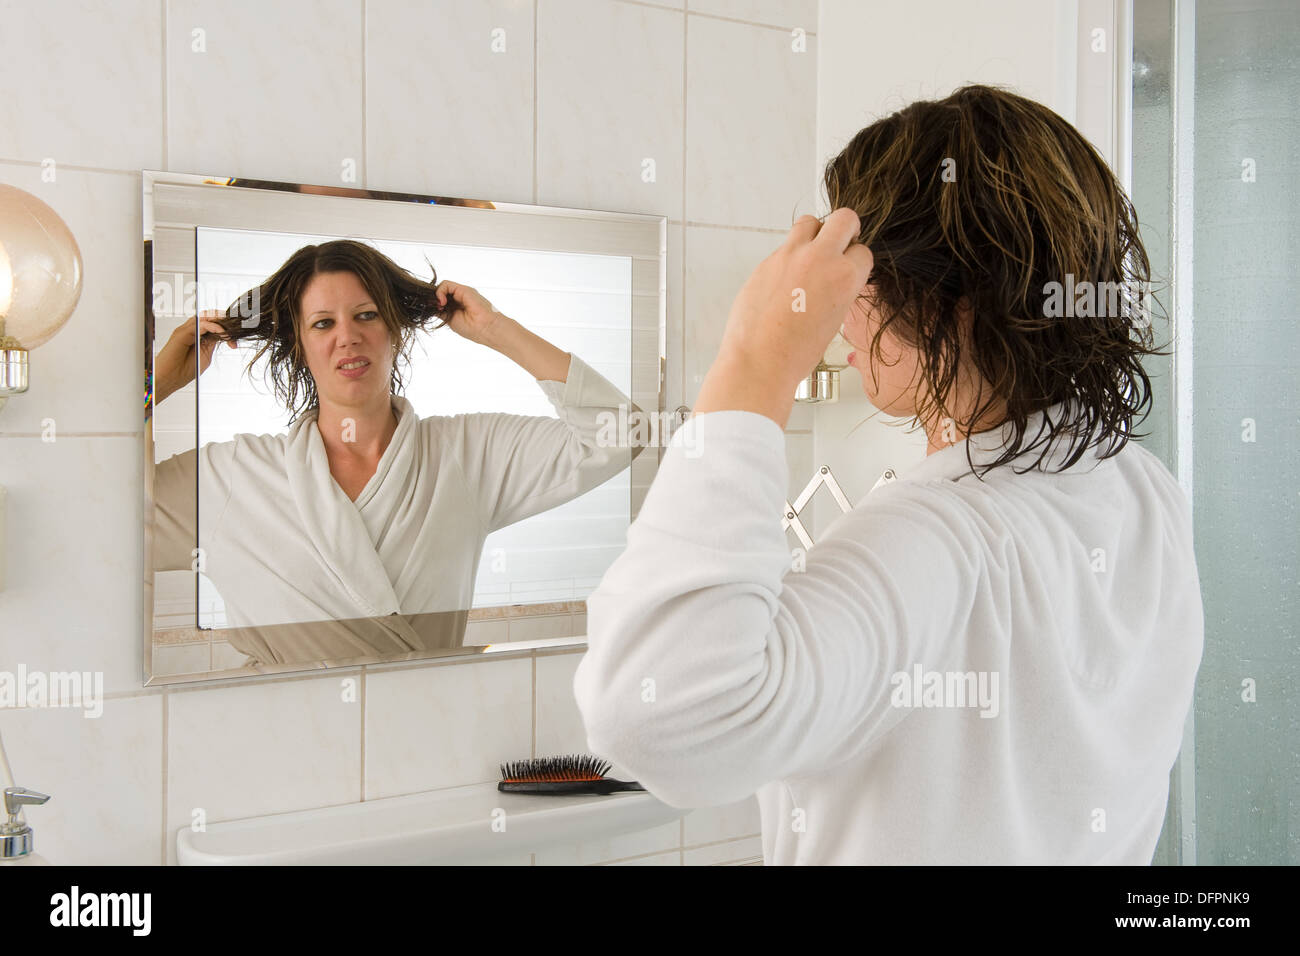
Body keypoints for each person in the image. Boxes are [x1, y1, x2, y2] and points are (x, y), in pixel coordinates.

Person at [573, 84, 1204, 865]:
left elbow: (654, 715)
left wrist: (753, 362)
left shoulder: (933, 538)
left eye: (858, 270)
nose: (844, 309)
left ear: (954, 307)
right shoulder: (1143, 492)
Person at [151, 240, 641, 662]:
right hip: (282, 743)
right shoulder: (231, 476)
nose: (348, 335)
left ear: (395, 330)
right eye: (322, 323)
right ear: (298, 345)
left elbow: (619, 434)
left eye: (366, 315)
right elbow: (95, 519)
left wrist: (495, 329)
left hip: (424, 741)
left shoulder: (467, 456)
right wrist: (160, 382)